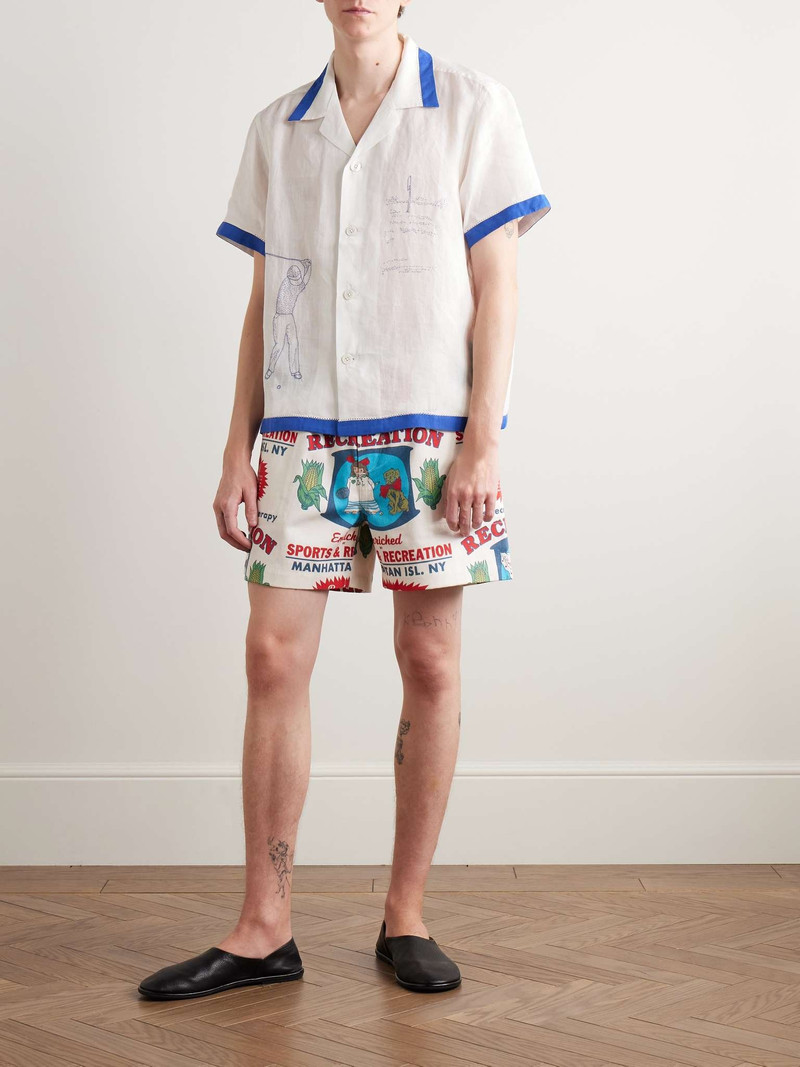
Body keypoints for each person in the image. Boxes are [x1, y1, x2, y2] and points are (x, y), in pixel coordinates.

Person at [138, 0, 550, 1000]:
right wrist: (236, 446)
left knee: (430, 660)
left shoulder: (472, 107)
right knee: (271, 656)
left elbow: (498, 285)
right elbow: (264, 301)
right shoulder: (278, 129)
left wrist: (484, 440)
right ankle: (263, 926)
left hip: (430, 437)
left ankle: (406, 913)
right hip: (301, 432)